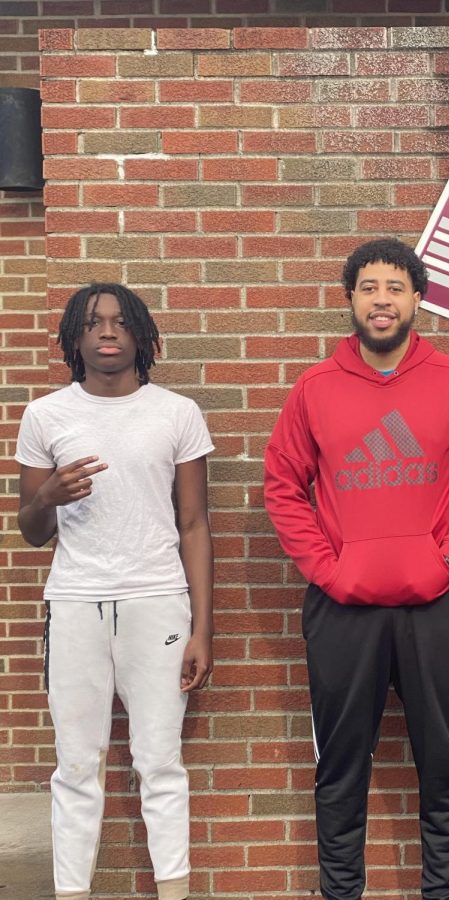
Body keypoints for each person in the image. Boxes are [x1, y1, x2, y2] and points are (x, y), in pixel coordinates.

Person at [264, 238, 449, 900]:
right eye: (368, 287)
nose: (381, 300)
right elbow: (283, 488)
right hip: (344, 610)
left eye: (395, 288)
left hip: (437, 607)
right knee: (340, 773)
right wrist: (329, 570)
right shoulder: (315, 388)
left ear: (418, 300)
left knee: (444, 771)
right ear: (349, 299)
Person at [16, 283, 214, 900]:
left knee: (159, 763)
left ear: (141, 336)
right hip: (76, 602)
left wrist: (203, 627)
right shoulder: (46, 415)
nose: (108, 331)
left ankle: (173, 892)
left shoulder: (176, 412)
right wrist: (47, 498)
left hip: (158, 600)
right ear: (75, 336)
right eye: (95, 322)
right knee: (75, 767)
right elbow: (30, 530)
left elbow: (194, 524)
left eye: (121, 322)